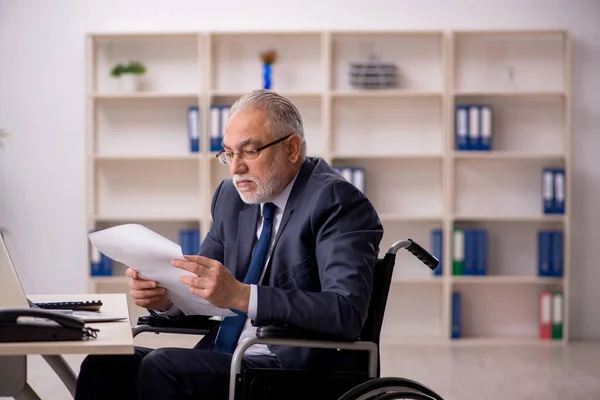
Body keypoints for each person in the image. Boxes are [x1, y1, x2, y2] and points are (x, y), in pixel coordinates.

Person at [75, 89, 384, 400]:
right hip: (232, 358)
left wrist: (241, 295)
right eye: (228, 153)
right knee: (106, 363)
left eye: (249, 152)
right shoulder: (230, 198)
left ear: (291, 148)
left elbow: (345, 311)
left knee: (163, 366)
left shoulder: (336, 201)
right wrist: (165, 299)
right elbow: (204, 290)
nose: (235, 168)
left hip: (297, 372)